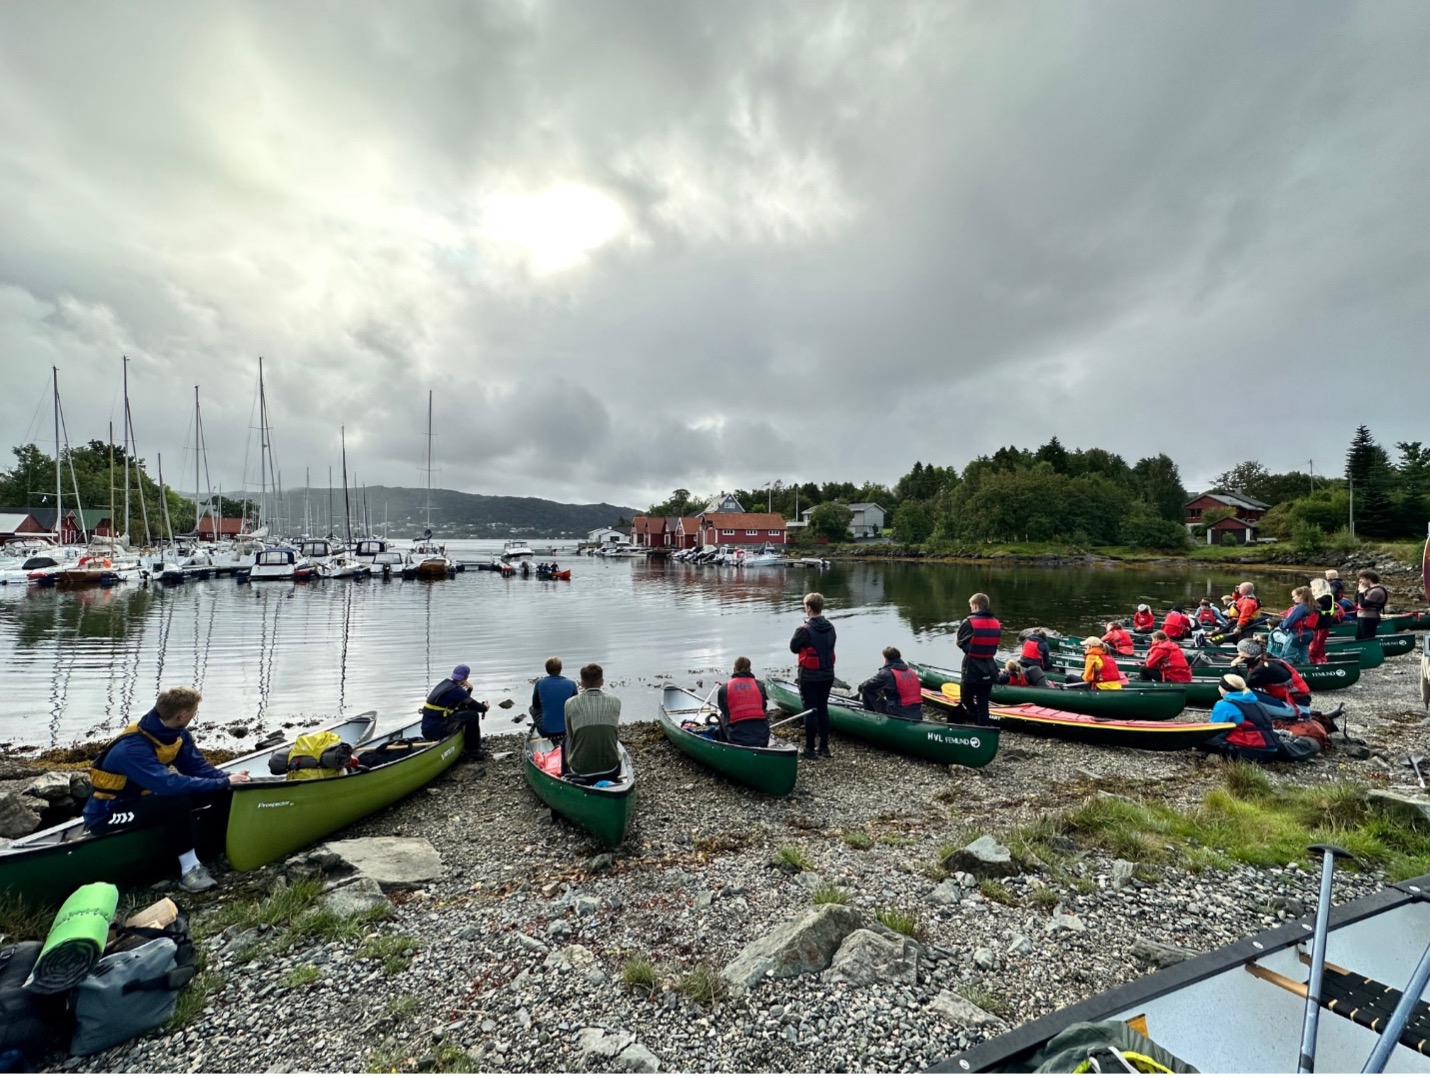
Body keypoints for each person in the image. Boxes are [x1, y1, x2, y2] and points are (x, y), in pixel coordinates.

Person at [82, 687, 251, 893]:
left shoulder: (177, 735)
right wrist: (222, 782)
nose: (194, 716)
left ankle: (222, 843)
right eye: (193, 712)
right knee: (176, 801)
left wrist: (227, 780)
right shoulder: (131, 748)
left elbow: (198, 768)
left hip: (143, 801)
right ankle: (190, 870)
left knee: (218, 790)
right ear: (182, 715)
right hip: (109, 813)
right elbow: (168, 785)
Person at [789, 592, 837, 759]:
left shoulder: (804, 630)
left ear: (808, 608)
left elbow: (794, 648)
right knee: (823, 708)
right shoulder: (830, 627)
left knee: (810, 710)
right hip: (828, 674)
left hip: (809, 675)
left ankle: (810, 748)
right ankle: (824, 747)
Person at [1198, 674, 1279, 763]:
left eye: (1220, 686)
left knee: (1203, 738)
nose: (1218, 688)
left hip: (1250, 752)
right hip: (1272, 750)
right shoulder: (1256, 702)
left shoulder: (1223, 704)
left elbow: (1214, 731)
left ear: (1225, 687)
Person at [563, 662, 622, 779]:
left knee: (566, 741)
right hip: (611, 768)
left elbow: (570, 733)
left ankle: (564, 774)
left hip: (580, 769)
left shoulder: (570, 703)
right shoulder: (616, 701)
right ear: (602, 681)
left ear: (581, 683)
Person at [1231, 640, 1312, 719]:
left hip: (1296, 708)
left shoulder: (1262, 667)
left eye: (1240, 651)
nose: (1238, 654)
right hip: (1296, 704)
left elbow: (1240, 685)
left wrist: (1234, 666)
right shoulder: (1268, 660)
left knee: (1240, 694)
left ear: (1249, 653)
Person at [422, 664, 490, 758]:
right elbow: (476, 707)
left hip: (428, 729)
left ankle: (473, 746)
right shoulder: (456, 690)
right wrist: (485, 707)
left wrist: (469, 689)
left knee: (467, 712)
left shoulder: (446, 684)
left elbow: (462, 704)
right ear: (466, 677)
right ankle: (473, 751)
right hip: (435, 731)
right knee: (473, 715)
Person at [956, 593, 1002, 727]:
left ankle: (976, 720)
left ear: (975, 606)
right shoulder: (996, 623)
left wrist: (958, 642)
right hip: (989, 666)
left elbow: (962, 643)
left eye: (971, 605)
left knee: (966, 699)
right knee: (983, 701)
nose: (970, 608)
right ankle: (984, 725)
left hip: (972, 668)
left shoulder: (969, 622)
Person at [717, 657, 771, 745]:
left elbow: (724, 709)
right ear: (750, 669)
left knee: (723, 716)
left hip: (736, 739)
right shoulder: (760, 685)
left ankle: (724, 746)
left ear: (734, 669)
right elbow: (763, 706)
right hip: (763, 738)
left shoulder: (724, 688)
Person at [858, 646, 924, 719]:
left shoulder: (886, 673)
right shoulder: (911, 672)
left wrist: (860, 688)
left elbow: (866, 686)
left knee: (866, 689)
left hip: (897, 713)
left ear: (886, 658)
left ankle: (868, 717)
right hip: (917, 713)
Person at [531, 656, 579, 744]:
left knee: (532, 708)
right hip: (567, 730)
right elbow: (576, 706)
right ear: (561, 668)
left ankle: (544, 725)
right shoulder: (571, 684)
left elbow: (535, 705)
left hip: (546, 731)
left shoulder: (540, 683)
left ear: (546, 669)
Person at [1272, 586, 1318, 666]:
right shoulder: (1313, 606)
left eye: (1294, 596)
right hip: (1309, 634)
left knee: (1286, 656)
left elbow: (1290, 620)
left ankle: (1288, 674)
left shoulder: (1301, 607)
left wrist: (1281, 627)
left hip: (1297, 634)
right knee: (1304, 656)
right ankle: (1306, 671)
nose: (1293, 598)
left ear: (1301, 596)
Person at [1308, 578, 1337, 664]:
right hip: (1322, 625)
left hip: (1321, 625)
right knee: (1318, 645)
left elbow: (1312, 609)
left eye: (1312, 586)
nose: (1311, 588)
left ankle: (1317, 661)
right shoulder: (1327, 597)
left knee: (1316, 646)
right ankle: (1319, 659)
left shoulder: (1323, 599)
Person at [1356, 570, 1389, 641]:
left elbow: (1363, 605)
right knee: (1359, 638)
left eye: (1362, 579)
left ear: (1369, 579)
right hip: (1362, 617)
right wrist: (1359, 590)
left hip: (1369, 617)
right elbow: (1356, 601)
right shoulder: (1368, 589)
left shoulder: (1376, 591)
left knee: (1367, 638)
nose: (1360, 581)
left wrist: (1361, 593)